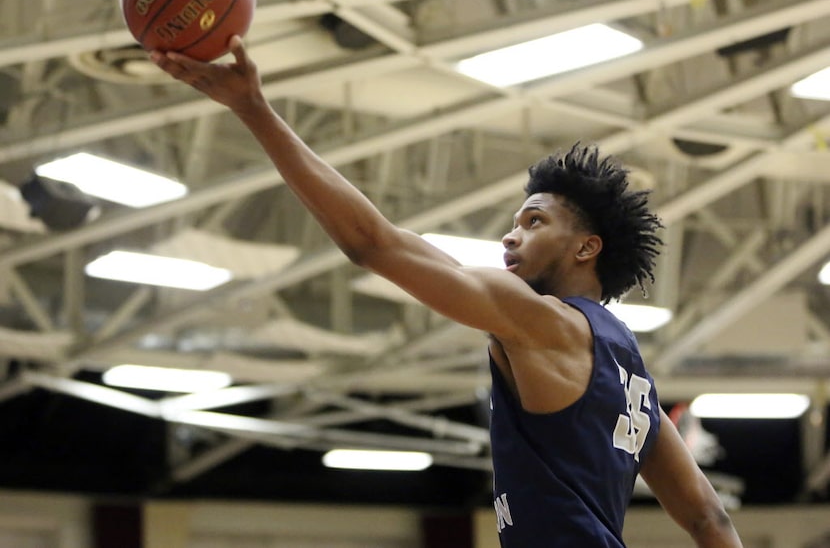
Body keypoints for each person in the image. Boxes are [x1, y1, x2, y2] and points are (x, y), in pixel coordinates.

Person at [151, 36, 743, 548]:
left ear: (586, 247)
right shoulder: (631, 372)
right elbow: (708, 518)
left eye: (533, 222)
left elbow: (373, 244)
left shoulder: (542, 323)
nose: (510, 238)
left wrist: (253, 108)